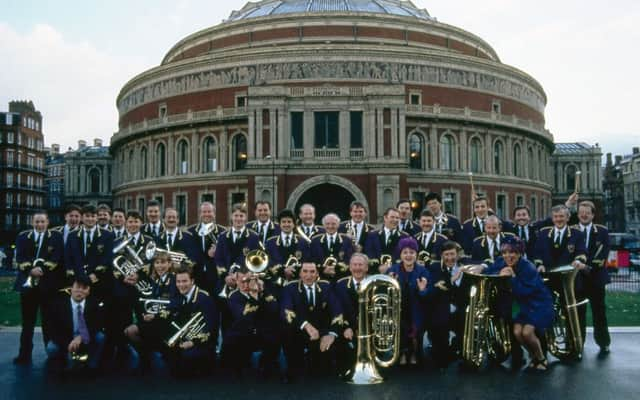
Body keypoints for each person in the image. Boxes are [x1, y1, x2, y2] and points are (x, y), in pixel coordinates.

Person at [488, 236, 554, 372]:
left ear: (519, 253)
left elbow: (524, 291)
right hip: (522, 306)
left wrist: (512, 278)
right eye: (505, 252)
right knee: (518, 332)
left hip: (537, 304)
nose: (508, 256)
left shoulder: (528, 267)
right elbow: (489, 272)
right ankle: (534, 356)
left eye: (512, 252)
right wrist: (499, 272)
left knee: (527, 332)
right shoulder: (502, 262)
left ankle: (541, 358)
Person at [13, 210, 65, 365]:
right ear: (32, 222)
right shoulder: (23, 236)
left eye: (42, 221)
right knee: (27, 323)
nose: (40, 224)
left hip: (47, 287)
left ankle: (51, 354)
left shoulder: (56, 237)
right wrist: (31, 269)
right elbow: (20, 257)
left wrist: (41, 269)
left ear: (48, 222)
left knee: (48, 322)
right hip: (28, 287)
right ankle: (24, 354)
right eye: (37, 222)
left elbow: (57, 257)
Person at [280, 262, 344, 381]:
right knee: (286, 330)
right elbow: (286, 311)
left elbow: (337, 312)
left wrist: (331, 334)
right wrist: (306, 325)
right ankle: (293, 366)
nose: (308, 275)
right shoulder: (290, 288)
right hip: (299, 331)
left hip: (321, 332)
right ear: (299, 273)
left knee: (323, 371)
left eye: (312, 272)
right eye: (305, 271)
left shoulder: (326, 287)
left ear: (317, 274)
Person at [222, 265, 281, 379]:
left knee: (275, 334)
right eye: (241, 282)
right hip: (242, 333)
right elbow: (244, 317)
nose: (245, 285)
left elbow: (274, 309)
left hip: (261, 332)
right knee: (237, 366)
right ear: (236, 281)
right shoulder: (233, 296)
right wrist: (254, 297)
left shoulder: (264, 291)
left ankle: (267, 363)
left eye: (248, 281)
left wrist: (262, 292)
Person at [574, 200, 611, 355]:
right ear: (577, 214)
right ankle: (578, 344)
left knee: (599, 312)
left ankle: (603, 343)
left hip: (596, 278)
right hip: (577, 280)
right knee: (578, 313)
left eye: (587, 212)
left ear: (593, 215)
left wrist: (586, 267)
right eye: (581, 212)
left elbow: (602, 256)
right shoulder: (572, 231)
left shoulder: (602, 232)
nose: (584, 215)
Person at [166, 264, 217, 377]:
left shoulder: (204, 298)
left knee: (186, 360)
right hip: (185, 339)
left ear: (192, 281)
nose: (181, 285)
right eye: (178, 282)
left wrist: (193, 342)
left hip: (203, 343)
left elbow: (211, 328)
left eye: (185, 281)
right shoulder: (178, 296)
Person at [46, 277, 106, 373]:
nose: (80, 291)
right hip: (66, 338)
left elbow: (96, 326)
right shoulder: (59, 305)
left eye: (84, 288)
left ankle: (92, 365)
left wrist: (81, 337)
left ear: (88, 291)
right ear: (71, 289)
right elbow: (53, 330)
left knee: (100, 337)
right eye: (77, 287)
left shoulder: (94, 304)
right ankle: (61, 362)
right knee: (51, 348)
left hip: (85, 336)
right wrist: (68, 344)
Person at [386, 237, 429, 366]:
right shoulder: (392, 270)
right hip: (399, 308)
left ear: (416, 254)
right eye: (405, 252)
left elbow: (428, 295)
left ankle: (415, 352)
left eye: (412, 252)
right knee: (401, 328)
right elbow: (386, 294)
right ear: (400, 254)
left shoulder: (423, 270)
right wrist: (390, 285)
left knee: (415, 329)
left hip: (417, 308)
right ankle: (403, 352)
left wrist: (422, 290)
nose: (408, 255)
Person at [64, 205, 114, 304]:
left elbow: (107, 258)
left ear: (96, 218)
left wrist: (95, 274)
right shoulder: (72, 235)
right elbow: (68, 258)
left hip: (98, 280)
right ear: (82, 218)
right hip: (77, 281)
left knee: (96, 311)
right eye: (87, 216)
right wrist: (79, 277)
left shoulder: (107, 235)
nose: (90, 219)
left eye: (93, 216)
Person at [334, 252, 369, 375]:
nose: (357, 268)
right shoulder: (340, 285)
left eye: (361, 265)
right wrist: (346, 327)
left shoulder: (374, 283)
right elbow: (338, 310)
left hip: (369, 327)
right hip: (348, 326)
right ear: (349, 267)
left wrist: (365, 328)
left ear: (366, 268)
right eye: (354, 264)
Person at [186, 202, 227, 296]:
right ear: (200, 214)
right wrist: (207, 255)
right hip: (196, 275)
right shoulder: (190, 231)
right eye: (204, 212)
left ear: (214, 214)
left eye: (209, 211)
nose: (207, 214)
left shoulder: (223, 231)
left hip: (216, 276)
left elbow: (226, 255)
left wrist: (217, 253)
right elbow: (190, 254)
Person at [533, 205, 587, 273]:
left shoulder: (577, 234)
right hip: (547, 274)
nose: (558, 219)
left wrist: (578, 261)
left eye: (561, 216)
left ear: (567, 218)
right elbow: (537, 253)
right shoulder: (543, 233)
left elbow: (581, 252)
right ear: (552, 219)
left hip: (569, 276)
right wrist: (539, 265)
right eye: (555, 216)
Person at [264, 209, 310, 285]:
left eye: (289, 222)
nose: (286, 224)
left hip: (297, 282)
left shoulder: (303, 242)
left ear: (294, 224)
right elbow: (268, 263)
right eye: (284, 222)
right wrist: (283, 270)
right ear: (279, 224)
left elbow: (306, 261)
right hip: (276, 284)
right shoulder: (270, 242)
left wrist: (293, 270)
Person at [310, 213, 353, 282]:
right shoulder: (315, 240)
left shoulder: (346, 240)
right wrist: (323, 269)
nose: (330, 226)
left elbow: (349, 260)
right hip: (320, 279)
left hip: (341, 278)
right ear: (323, 225)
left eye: (333, 224)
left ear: (338, 225)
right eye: (327, 224)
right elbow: (312, 260)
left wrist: (335, 269)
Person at [364, 207, 408, 274]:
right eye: (392, 217)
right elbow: (369, 253)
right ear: (385, 217)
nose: (395, 220)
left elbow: (405, 256)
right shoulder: (372, 235)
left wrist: (390, 267)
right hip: (375, 273)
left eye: (397, 218)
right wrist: (378, 267)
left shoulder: (405, 237)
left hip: (397, 274)